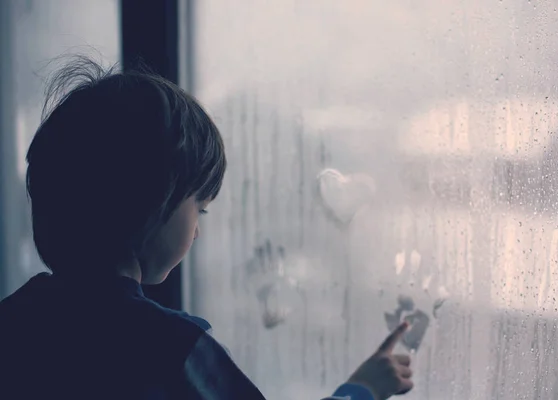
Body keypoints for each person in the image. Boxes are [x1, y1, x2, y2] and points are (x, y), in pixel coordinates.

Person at [0, 57, 413, 400]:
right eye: (199, 206)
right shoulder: (170, 347)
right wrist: (362, 389)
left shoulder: (15, 323)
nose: (197, 230)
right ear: (153, 200)